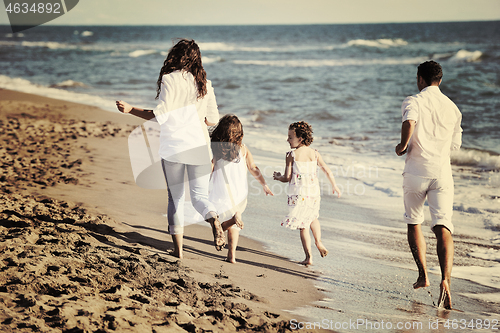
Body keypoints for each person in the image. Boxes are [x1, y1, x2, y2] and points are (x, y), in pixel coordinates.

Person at [116, 39, 225, 258]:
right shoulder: (205, 83)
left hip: (175, 147)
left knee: (175, 198)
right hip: (200, 147)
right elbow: (213, 119)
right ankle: (213, 219)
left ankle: (179, 251)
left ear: (176, 56)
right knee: (199, 197)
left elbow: (162, 115)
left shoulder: (169, 79)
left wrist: (131, 109)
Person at [395, 60, 462, 310]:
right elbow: (455, 146)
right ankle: (446, 279)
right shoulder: (453, 108)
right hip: (442, 173)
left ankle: (423, 275)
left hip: (416, 171)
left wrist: (402, 146)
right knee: (443, 225)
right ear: (440, 80)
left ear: (420, 79)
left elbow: (410, 122)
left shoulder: (414, 100)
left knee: (414, 221)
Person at [273, 121, 341, 266]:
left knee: (303, 226)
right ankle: (319, 241)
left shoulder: (291, 155)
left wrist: (278, 177)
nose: (288, 140)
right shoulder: (315, 153)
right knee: (313, 218)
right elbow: (327, 170)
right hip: (314, 193)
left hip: (299, 194)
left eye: (290, 137)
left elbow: (287, 178)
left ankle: (308, 257)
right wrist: (334, 185)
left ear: (301, 138)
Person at [209, 114, 274, 263]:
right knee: (235, 228)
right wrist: (264, 184)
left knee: (216, 222)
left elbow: (211, 168)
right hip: (239, 194)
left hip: (221, 192)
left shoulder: (217, 150)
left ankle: (232, 220)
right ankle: (231, 256)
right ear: (240, 134)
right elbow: (253, 167)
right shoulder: (243, 149)